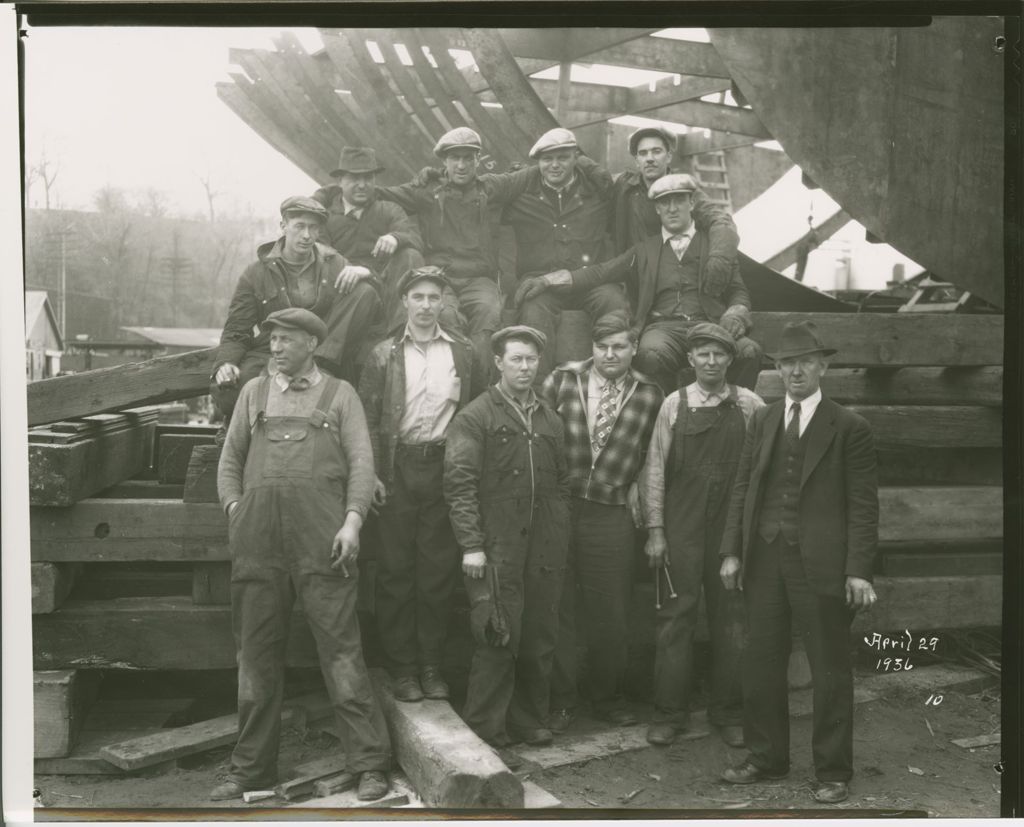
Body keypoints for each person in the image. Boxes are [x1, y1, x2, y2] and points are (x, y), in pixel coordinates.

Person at [213, 307, 391, 802]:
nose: (274, 347)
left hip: (324, 541)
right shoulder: (253, 393)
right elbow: (230, 461)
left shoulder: (340, 394)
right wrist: (236, 509)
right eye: (272, 340)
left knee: (341, 653)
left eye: (286, 340)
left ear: (312, 344)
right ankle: (251, 770)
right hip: (259, 542)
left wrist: (353, 522)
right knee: (256, 656)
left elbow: (362, 464)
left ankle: (369, 764)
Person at [718, 320, 879, 805]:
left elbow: (863, 505)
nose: (795, 371)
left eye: (805, 362)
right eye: (787, 363)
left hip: (823, 565)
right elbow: (744, 487)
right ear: (778, 369)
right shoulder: (764, 419)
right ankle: (767, 759)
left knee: (829, 667)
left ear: (822, 366)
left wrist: (858, 569)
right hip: (765, 557)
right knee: (760, 660)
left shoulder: (849, 426)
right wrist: (731, 550)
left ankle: (833, 771)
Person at [358, 266, 485, 703]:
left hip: (444, 469)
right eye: (418, 297)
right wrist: (373, 471)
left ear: (444, 302)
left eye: (434, 297)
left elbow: (474, 414)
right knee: (395, 572)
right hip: (397, 469)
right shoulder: (383, 354)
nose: (427, 305)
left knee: (435, 573)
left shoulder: (464, 353)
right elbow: (368, 421)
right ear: (405, 302)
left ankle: (431, 666)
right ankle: (403, 669)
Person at [517, 173, 763, 393]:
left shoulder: (714, 245)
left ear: (691, 203)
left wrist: (737, 312)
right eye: (665, 203)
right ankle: (668, 416)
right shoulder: (644, 250)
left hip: (708, 325)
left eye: (679, 201)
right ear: (657, 209)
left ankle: (730, 411)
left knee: (749, 352)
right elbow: (601, 272)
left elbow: (738, 290)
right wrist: (549, 280)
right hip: (663, 328)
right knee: (649, 355)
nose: (672, 209)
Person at [444, 325, 570, 748]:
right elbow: (459, 485)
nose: (525, 367)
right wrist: (473, 546)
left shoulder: (550, 417)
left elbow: (564, 481)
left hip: (544, 544)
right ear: (498, 362)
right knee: (497, 634)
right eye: (516, 358)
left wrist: (560, 527)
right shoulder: (476, 416)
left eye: (531, 359)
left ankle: (530, 720)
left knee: (540, 635)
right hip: (497, 546)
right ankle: (484, 728)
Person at [640, 323, 765, 748]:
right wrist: (656, 530)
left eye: (719, 355)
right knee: (676, 617)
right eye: (703, 355)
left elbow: (762, 473)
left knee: (732, 617)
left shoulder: (750, 405)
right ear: (690, 360)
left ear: (731, 359)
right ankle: (669, 713)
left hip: (731, 526)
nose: (711, 362)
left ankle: (728, 711)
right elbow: (654, 469)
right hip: (682, 525)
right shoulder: (673, 405)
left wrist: (749, 535)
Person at [539, 310, 663, 730]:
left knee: (610, 609)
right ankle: (561, 700)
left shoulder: (649, 394)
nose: (610, 355)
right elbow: (537, 433)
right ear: (591, 348)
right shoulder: (563, 379)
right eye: (602, 347)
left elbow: (654, 453)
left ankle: (606, 696)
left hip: (611, 512)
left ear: (633, 349)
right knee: (560, 606)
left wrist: (637, 488)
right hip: (561, 506)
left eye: (619, 347)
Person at [374, 128, 536, 374]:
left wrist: (583, 162)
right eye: (454, 158)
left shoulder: (491, 187)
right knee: (446, 316)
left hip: (480, 279)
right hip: (440, 277)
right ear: (444, 161)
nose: (461, 165)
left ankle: (479, 384)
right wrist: (326, 193)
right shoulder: (427, 191)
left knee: (489, 312)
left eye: (468, 158)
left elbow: (535, 172)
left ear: (478, 160)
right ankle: (452, 380)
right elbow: (378, 193)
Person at [211, 196, 382, 421]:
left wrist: (366, 272)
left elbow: (372, 305)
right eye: (299, 226)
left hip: (320, 349)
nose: (307, 235)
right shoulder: (256, 273)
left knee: (365, 291)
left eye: (313, 228)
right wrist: (226, 362)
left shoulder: (334, 263)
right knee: (233, 394)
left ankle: (318, 368)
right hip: (272, 351)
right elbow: (237, 329)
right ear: (283, 226)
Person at [504, 127, 629, 380]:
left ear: (576, 158)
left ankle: (613, 382)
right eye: (547, 159)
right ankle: (539, 390)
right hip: (541, 284)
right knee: (532, 313)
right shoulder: (521, 195)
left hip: (590, 281)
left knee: (613, 302)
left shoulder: (597, 193)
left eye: (562, 157)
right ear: (538, 162)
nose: (554, 165)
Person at [312, 146, 424, 319]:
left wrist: (395, 238)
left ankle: (401, 330)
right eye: (355, 178)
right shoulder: (325, 218)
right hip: (347, 291)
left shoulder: (389, 209)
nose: (362, 185)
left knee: (410, 254)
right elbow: (322, 257)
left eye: (368, 178)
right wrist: (353, 270)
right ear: (340, 181)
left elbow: (414, 238)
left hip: (387, 290)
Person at [609, 125, 739, 266]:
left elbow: (720, 219)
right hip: (629, 273)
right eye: (643, 153)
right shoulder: (623, 185)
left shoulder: (683, 189)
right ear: (636, 161)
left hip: (669, 276)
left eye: (656, 151)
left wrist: (719, 258)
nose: (650, 158)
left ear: (669, 156)